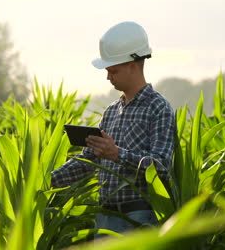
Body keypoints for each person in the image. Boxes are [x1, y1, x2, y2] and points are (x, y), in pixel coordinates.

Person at [51, 21, 176, 237]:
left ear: (132, 65)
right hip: (105, 219)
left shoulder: (159, 108)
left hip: (139, 222)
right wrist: (45, 180)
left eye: (113, 71)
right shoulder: (110, 111)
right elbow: (88, 162)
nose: (108, 77)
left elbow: (162, 166)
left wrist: (117, 154)